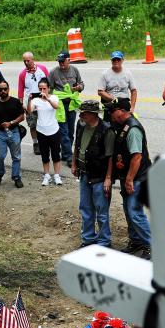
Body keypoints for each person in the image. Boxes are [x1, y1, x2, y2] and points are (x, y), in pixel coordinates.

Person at [106, 98, 153, 258]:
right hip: (129, 176)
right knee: (128, 209)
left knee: (135, 212)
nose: (110, 112)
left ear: (122, 111)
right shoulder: (120, 126)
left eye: (113, 110)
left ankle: (151, 245)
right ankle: (136, 241)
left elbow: (137, 157)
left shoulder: (133, 129)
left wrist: (129, 180)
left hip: (137, 178)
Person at [71, 100, 113, 248]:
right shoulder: (81, 125)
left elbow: (110, 157)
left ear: (93, 114)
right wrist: (74, 163)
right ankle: (88, 239)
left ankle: (104, 241)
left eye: (84, 113)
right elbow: (77, 145)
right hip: (84, 174)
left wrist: (108, 178)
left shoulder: (106, 130)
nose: (81, 115)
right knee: (86, 209)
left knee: (101, 211)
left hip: (99, 177)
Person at [0, 81, 26, 188]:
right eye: (0, 89)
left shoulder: (15, 102)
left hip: (14, 132)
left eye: (5, 89)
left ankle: (16, 177)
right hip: (0, 134)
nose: (3, 91)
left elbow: (22, 116)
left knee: (16, 157)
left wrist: (11, 123)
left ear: (8, 89)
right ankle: (0, 173)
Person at [48, 51, 84, 165]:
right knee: (63, 131)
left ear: (68, 60)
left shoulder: (74, 70)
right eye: (59, 61)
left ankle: (65, 153)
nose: (61, 63)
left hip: (72, 104)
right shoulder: (54, 72)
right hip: (60, 105)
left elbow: (82, 84)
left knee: (70, 131)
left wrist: (79, 87)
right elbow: (49, 88)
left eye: (63, 61)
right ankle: (69, 156)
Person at [28, 78, 62, 186]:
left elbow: (56, 106)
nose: (42, 90)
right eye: (40, 88)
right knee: (44, 154)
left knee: (56, 154)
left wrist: (48, 99)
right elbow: (30, 111)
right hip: (41, 131)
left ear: (48, 88)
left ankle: (57, 175)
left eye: (44, 88)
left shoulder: (54, 97)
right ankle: (46, 175)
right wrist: (29, 100)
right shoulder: (36, 100)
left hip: (54, 130)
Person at [18, 51, 49, 154]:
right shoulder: (23, 74)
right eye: (24, 61)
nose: (26, 62)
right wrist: (21, 103)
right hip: (30, 101)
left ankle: (46, 143)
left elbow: (49, 84)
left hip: (43, 100)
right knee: (33, 125)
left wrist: (49, 98)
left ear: (33, 59)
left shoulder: (42, 69)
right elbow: (20, 89)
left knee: (45, 123)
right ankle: (36, 144)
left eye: (28, 60)